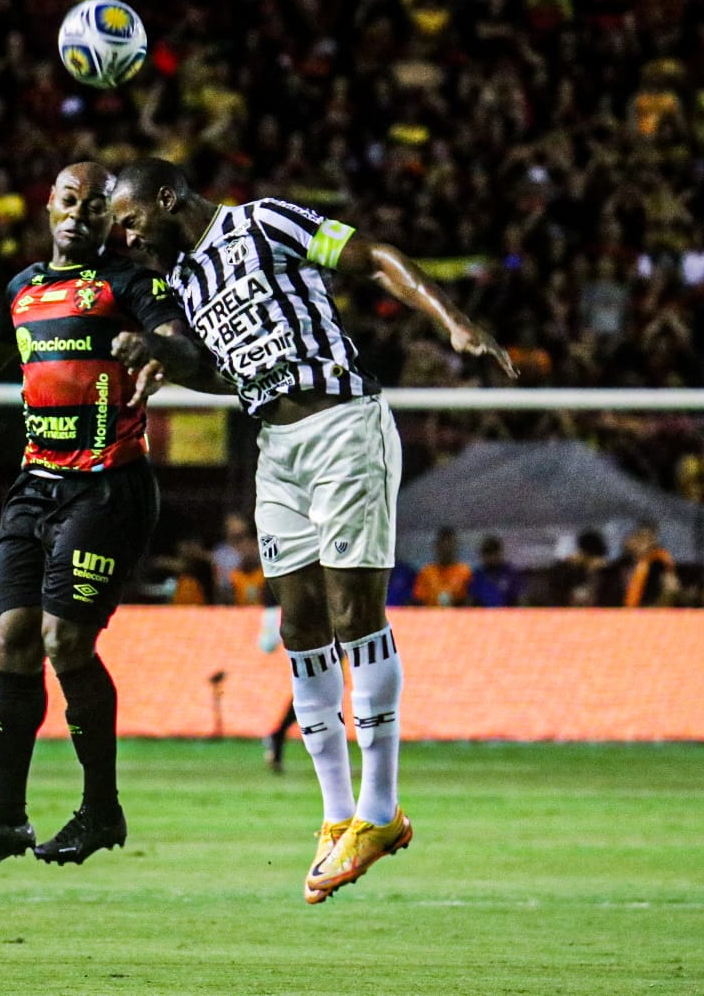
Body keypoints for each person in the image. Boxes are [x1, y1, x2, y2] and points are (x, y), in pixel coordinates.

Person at [107, 157, 515, 903]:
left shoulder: (262, 221)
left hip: (341, 426)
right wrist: (163, 354)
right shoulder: (189, 280)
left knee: (353, 612)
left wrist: (454, 320)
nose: (130, 239)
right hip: (277, 448)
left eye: (132, 221)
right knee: (300, 625)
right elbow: (220, 367)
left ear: (167, 197)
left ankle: (382, 811)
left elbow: (375, 258)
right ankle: (336, 819)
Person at [0, 162, 190, 878]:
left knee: (62, 640)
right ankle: (9, 819)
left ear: (112, 220)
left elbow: (177, 334)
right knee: (12, 643)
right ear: (49, 206)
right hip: (35, 486)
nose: (81, 215)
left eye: (96, 207)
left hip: (108, 486)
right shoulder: (23, 289)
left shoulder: (128, 283)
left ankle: (101, 808)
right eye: (70, 201)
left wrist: (156, 348)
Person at [411, 526, 472, 607]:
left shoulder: (465, 572)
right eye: (443, 545)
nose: (446, 549)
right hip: (430, 617)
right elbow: (418, 600)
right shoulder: (427, 572)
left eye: (449, 545)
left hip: (457, 617)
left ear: (455, 546)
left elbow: (470, 600)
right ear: (436, 546)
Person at [468, 535, 525, 608]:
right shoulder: (477, 576)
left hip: (507, 616)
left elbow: (521, 600)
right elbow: (470, 601)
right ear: (482, 555)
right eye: (487, 554)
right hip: (483, 617)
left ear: (500, 553)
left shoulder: (511, 573)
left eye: (493, 553)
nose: (491, 557)